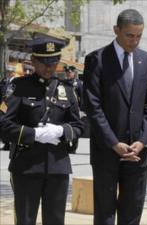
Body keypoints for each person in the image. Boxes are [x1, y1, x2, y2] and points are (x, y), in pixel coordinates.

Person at [83, 9, 147, 225]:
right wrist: (114, 143)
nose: (134, 41)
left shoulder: (146, 60)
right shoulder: (97, 60)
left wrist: (143, 141)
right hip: (107, 152)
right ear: (116, 30)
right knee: (105, 213)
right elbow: (93, 106)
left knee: (132, 212)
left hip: (137, 153)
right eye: (129, 35)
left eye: (139, 36)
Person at [0, 36, 84, 225]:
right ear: (34, 61)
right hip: (27, 167)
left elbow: (79, 126)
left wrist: (61, 131)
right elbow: (4, 124)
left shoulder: (67, 90)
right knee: (25, 220)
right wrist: (33, 134)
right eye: (44, 62)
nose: (49, 67)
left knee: (55, 220)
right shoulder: (18, 87)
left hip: (58, 166)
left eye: (53, 61)